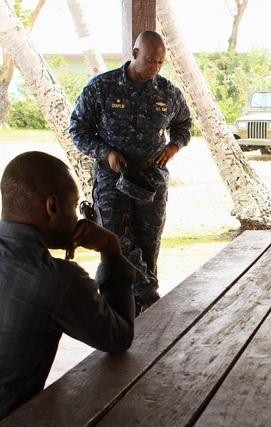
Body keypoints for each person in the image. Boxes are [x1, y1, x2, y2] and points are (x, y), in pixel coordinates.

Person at [0, 151, 135, 420]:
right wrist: (110, 249)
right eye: (74, 207)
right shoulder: (55, 279)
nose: (77, 217)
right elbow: (118, 337)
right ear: (52, 207)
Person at [70, 30, 192, 315]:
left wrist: (174, 146)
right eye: (150, 60)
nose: (155, 68)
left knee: (149, 245)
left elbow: (184, 125)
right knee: (114, 238)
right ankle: (140, 296)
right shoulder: (102, 87)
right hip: (114, 179)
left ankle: (143, 309)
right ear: (135, 53)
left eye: (160, 63)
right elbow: (78, 129)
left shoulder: (168, 92)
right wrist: (106, 152)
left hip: (151, 180)